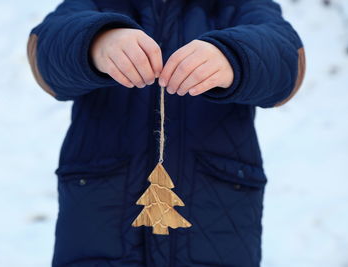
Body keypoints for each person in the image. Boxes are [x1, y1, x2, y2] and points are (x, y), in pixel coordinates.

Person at [27, 0, 306, 266]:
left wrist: (234, 56)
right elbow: (46, 52)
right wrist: (97, 43)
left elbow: (286, 60)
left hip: (217, 220)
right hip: (98, 220)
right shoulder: (99, 2)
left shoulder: (234, 5)